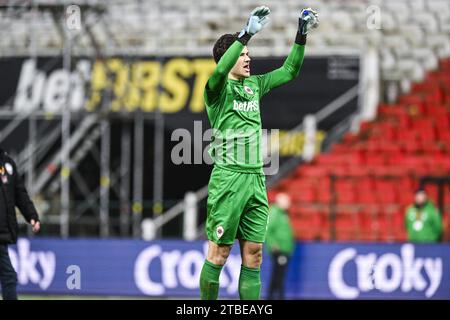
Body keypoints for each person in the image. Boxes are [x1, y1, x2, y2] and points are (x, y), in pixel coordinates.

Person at [199, 6, 318, 300]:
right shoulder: (216, 89)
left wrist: (301, 35)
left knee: (254, 255)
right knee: (219, 253)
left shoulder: (255, 85)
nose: (248, 56)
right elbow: (219, 71)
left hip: (256, 180)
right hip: (228, 180)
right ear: (228, 60)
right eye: (242, 54)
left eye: (248, 52)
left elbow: (290, 70)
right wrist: (246, 33)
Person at [0, 148, 40, 300]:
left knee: (8, 276)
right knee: (9, 276)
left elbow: (19, 193)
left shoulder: (7, 163)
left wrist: (32, 215)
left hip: (2, 234)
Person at [265, 192, 294, 300]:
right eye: (287, 201)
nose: (289, 203)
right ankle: (275, 297)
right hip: (279, 250)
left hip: (284, 250)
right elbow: (268, 230)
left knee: (279, 275)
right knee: (278, 275)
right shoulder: (274, 212)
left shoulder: (283, 213)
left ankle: (273, 296)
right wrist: (273, 244)